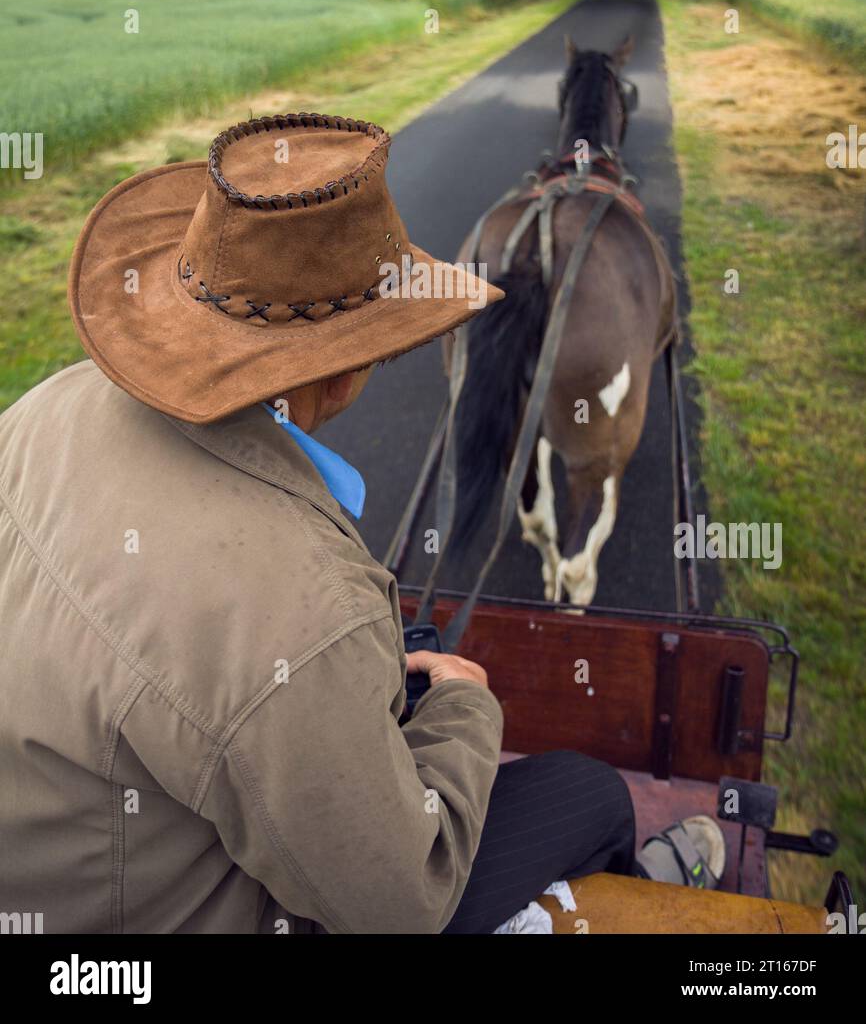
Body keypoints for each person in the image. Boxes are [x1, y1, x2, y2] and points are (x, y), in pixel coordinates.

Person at [0, 111, 723, 935]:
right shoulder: (301, 602)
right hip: (171, 915)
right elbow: (398, 901)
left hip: (67, 869)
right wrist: (463, 709)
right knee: (586, 794)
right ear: (348, 369)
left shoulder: (40, 408)